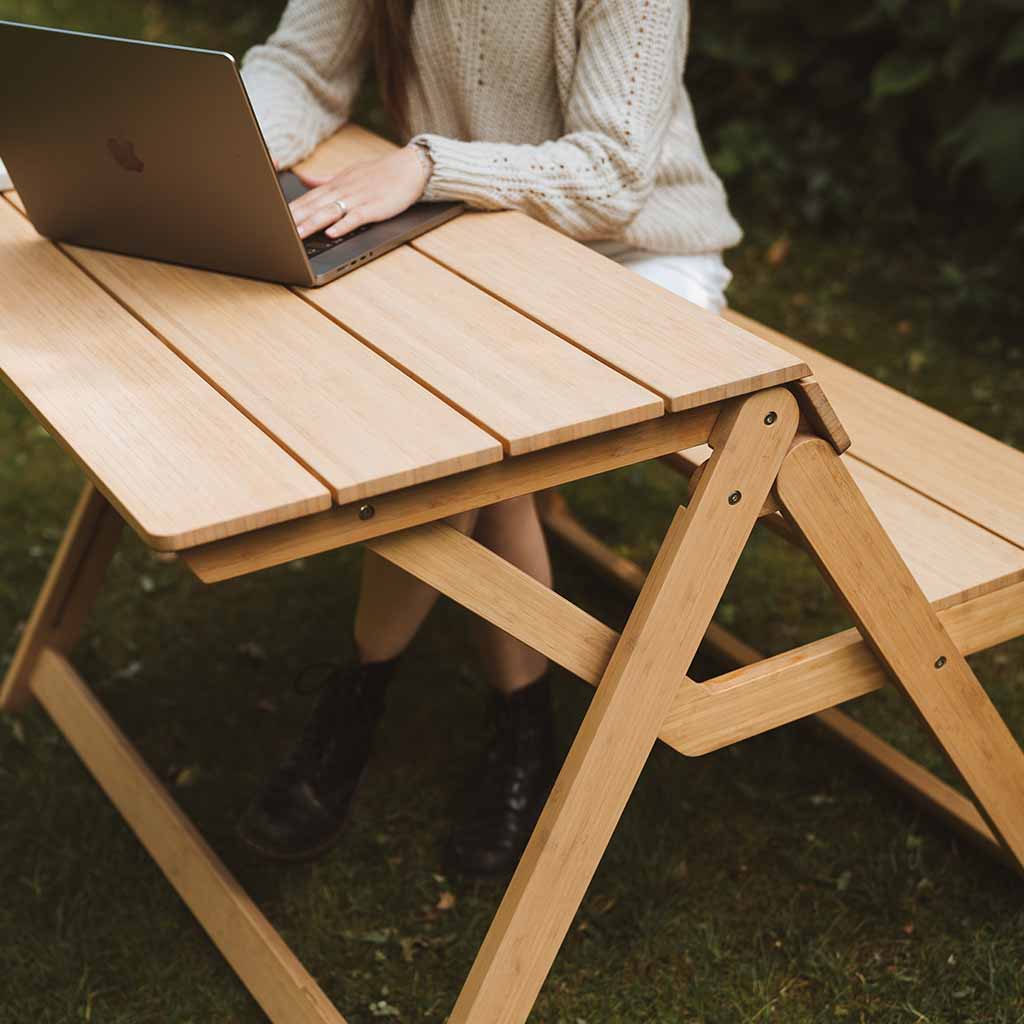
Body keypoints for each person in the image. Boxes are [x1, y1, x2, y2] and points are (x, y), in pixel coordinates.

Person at [237, 0, 742, 876]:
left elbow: (614, 173)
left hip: (639, 258)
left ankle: (366, 702)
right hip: (478, 233)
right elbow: (300, 67)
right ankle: (519, 722)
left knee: (476, 427)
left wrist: (428, 165)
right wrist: (232, 156)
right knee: (463, 420)